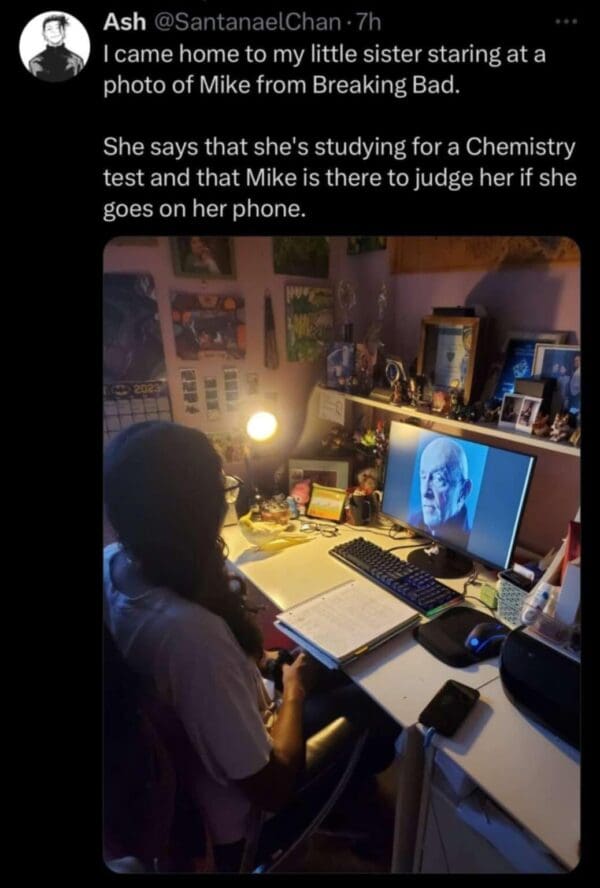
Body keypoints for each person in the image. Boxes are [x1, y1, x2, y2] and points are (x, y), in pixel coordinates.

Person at [104, 422, 397, 871]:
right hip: (241, 821)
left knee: (336, 666)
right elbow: (271, 788)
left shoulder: (112, 566)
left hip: (214, 741)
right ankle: (350, 804)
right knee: (377, 699)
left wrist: (266, 667)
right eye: (221, 488)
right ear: (197, 512)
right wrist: (294, 689)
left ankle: (343, 790)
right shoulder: (191, 637)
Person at [409, 437, 473, 552]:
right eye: (423, 476)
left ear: (463, 491)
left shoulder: (474, 545)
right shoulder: (412, 522)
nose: (424, 492)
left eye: (439, 479)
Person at [28, 14, 84, 82]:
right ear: (44, 34)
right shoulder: (34, 62)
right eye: (49, 29)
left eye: (57, 28)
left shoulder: (77, 61)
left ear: (64, 32)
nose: (54, 32)